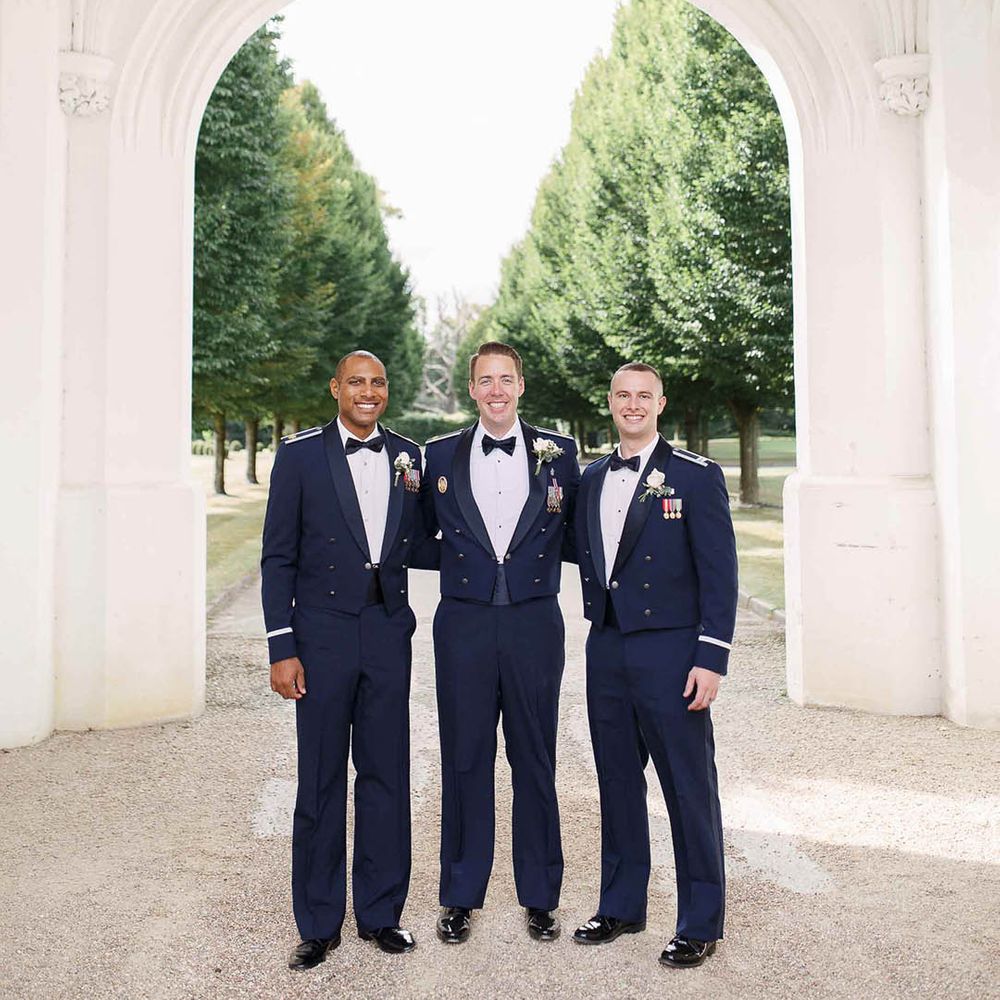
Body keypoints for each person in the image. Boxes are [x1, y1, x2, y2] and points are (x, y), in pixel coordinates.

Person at [260, 351, 433, 970]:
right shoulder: (299, 456)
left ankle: (382, 913)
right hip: (322, 638)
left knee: (387, 774)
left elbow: (426, 541)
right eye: (356, 381)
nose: (368, 391)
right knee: (321, 778)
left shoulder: (410, 456)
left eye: (378, 382)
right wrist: (283, 646)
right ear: (335, 388)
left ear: (387, 391)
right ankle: (317, 923)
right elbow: (277, 557)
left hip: (387, 634)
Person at [570, 362, 737, 969]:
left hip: (672, 654)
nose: (633, 405)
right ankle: (621, 905)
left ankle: (699, 922)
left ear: (661, 404)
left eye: (644, 396)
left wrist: (710, 658)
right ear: (610, 402)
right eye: (623, 395)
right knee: (616, 781)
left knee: (688, 788)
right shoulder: (591, 478)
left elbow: (720, 572)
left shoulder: (695, 475)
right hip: (607, 648)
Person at [421, 341, 580, 944]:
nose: (496, 390)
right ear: (471, 389)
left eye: (505, 379)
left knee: (535, 756)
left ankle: (540, 896)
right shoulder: (438, 455)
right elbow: (416, 536)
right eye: (485, 380)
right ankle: (461, 895)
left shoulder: (559, 453)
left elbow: (579, 533)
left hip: (534, 621)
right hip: (463, 622)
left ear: (521, 385)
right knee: (465, 757)